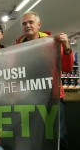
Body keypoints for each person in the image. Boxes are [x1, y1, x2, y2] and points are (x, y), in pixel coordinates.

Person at [15, 11, 73, 150]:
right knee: (36, 134)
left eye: (31, 22)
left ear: (39, 25)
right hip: (30, 98)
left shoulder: (52, 43)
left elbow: (67, 68)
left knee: (59, 135)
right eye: (24, 23)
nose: (27, 25)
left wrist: (66, 46)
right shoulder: (17, 48)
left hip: (52, 97)